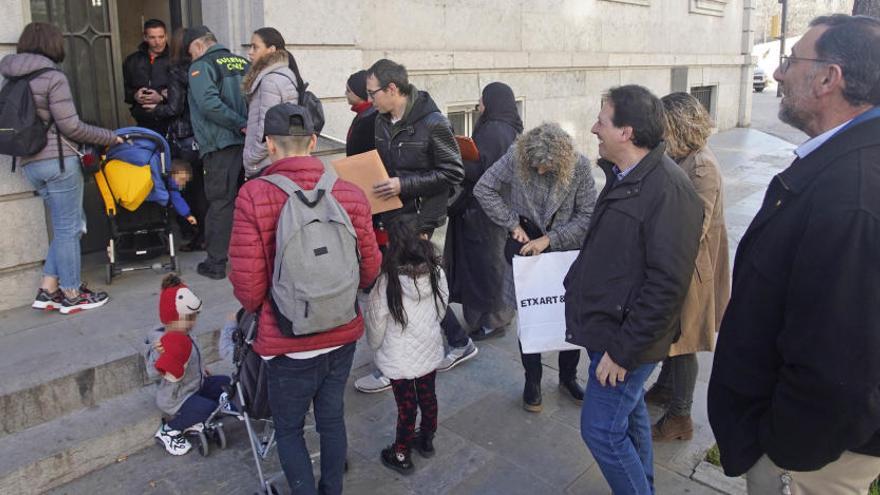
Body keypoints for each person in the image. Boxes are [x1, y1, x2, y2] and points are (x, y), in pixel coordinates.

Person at [708, 15, 880, 494]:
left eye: (791, 61)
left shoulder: (854, 196)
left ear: (829, 79)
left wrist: (781, 452)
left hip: (808, 462)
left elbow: (841, 369)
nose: (779, 75)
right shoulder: (844, 165)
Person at [228, 103, 381, 495]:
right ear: (313, 141)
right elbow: (370, 269)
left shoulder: (254, 195)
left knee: (290, 428)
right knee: (332, 419)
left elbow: (248, 288)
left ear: (268, 145)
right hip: (342, 331)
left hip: (287, 341)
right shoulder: (348, 192)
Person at [563, 85, 702, 494]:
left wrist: (623, 351)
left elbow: (667, 286)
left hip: (626, 341)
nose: (593, 128)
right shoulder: (626, 174)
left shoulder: (669, 190)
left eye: (602, 121)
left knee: (601, 431)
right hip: (606, 327)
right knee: (631, 412)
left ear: (626, 132)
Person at [355, 58, 474, 394]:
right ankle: (458, 340)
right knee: (415, 289)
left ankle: (391, 367)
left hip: (420, 219)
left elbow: (454, 174)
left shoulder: (433, 123)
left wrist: (401, 185)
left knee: (404, 289)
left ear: (393, 89)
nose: (370, 99)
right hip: (391, 215)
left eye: (372, 92)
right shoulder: (380, 120)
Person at [474, 122, 597, 412]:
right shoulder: (516, 156)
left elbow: (588, 215)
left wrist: (549, 239)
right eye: (535, 165)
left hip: (565, 253)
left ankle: (568, 377)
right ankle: (533, 381)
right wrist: (511, 222)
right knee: (530, 317)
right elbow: (484, 188)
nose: (539, 171)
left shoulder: (578, 167)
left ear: (562, 161)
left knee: (567, 318)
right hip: (524, 251)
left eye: (546, 167)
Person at [0, 22, 120, 314]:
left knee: (69, 224)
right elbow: (71, 126)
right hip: (58, 162)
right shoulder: (53, 76)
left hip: (29, 163)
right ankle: (71, 293)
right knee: (69, 228)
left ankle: (48, 287)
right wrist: (110, 137)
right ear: (53, 44)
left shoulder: (8, 76)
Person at [646, 92, 730, 442]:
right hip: (683, 264)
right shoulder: (685, 157)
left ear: (679, 126)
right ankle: (666, 389)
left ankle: (680, 416)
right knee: (674, 335)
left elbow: (693, 227)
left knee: (685, 341)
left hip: (692, 270)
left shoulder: (701, 166)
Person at [363, 220, 446, 475]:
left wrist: (375, 349)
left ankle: (401, 453)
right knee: (428, 396)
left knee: (406, 406)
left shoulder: (387, 283)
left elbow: (375, 324)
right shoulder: (435, 272)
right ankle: (427, 440)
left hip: (398, 357)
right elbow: (442, 308)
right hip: (428, 348)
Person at [445, 82, 523, 342]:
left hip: (484, 212)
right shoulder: (509, 129)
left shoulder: (493, 130)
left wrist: (459, 162)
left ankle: (490, 321)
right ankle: (496, 317)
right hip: (500, 209)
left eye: (482, 101)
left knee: (486, 267)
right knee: (495, 265)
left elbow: (485, 172)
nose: (479, 106)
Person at [184, 25, 249, 280]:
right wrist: (246, 125)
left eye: (191, 52)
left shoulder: (201, 66)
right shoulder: (241, 62)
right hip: (246, 145)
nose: (191, 57)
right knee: (246, 202)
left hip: (221, 145)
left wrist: (237, 123)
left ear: (199, 46)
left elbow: (209, 104)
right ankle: (247, 257)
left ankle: (216, 263)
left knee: (221, 203)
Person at [146, 273, 231, 456]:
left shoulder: (185, 333)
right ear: (171, 318)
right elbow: (153, 373)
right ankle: (169, 430)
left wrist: (202, 370)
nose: (193, 323)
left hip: (195, 385)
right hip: (176, 397)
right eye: (188, 319)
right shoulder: (160, 343)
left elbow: (193, 356)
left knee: (225, 382)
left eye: (194, 318)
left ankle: (199, 418)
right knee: (207, 408)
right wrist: (159, 358)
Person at [147, 27, 205, 252]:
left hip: (184, 138)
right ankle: (206, 235)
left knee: (185, 188)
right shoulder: (203, 68)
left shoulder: (177, 70)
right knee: (202, 188)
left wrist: (155, 108)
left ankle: (195, 233)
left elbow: (175, 108)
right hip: (202, 136)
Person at [242, 27, 299, 178]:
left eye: (255, 47)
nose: (250, 52)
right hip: (275, 160)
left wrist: (251, 157)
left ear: (271, 49)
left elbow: (267, 127)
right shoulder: (280, 74)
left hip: (267, 163)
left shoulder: (270, 80)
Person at [122, 19, 172, 135]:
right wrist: (135, 95)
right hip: (143, 121)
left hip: (171, 122)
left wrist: (161, 98)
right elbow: (126, 91)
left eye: (161, 37)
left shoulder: (175, 59)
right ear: (145, 38)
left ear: (166, 36)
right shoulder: (132, 61)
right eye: (152, 37)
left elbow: (184, 92)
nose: (158, 42)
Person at [344, 70, 377, 156]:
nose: (345, 93)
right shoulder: (363, 114)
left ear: (359, 92)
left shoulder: (371, 119)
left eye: (348, 90)